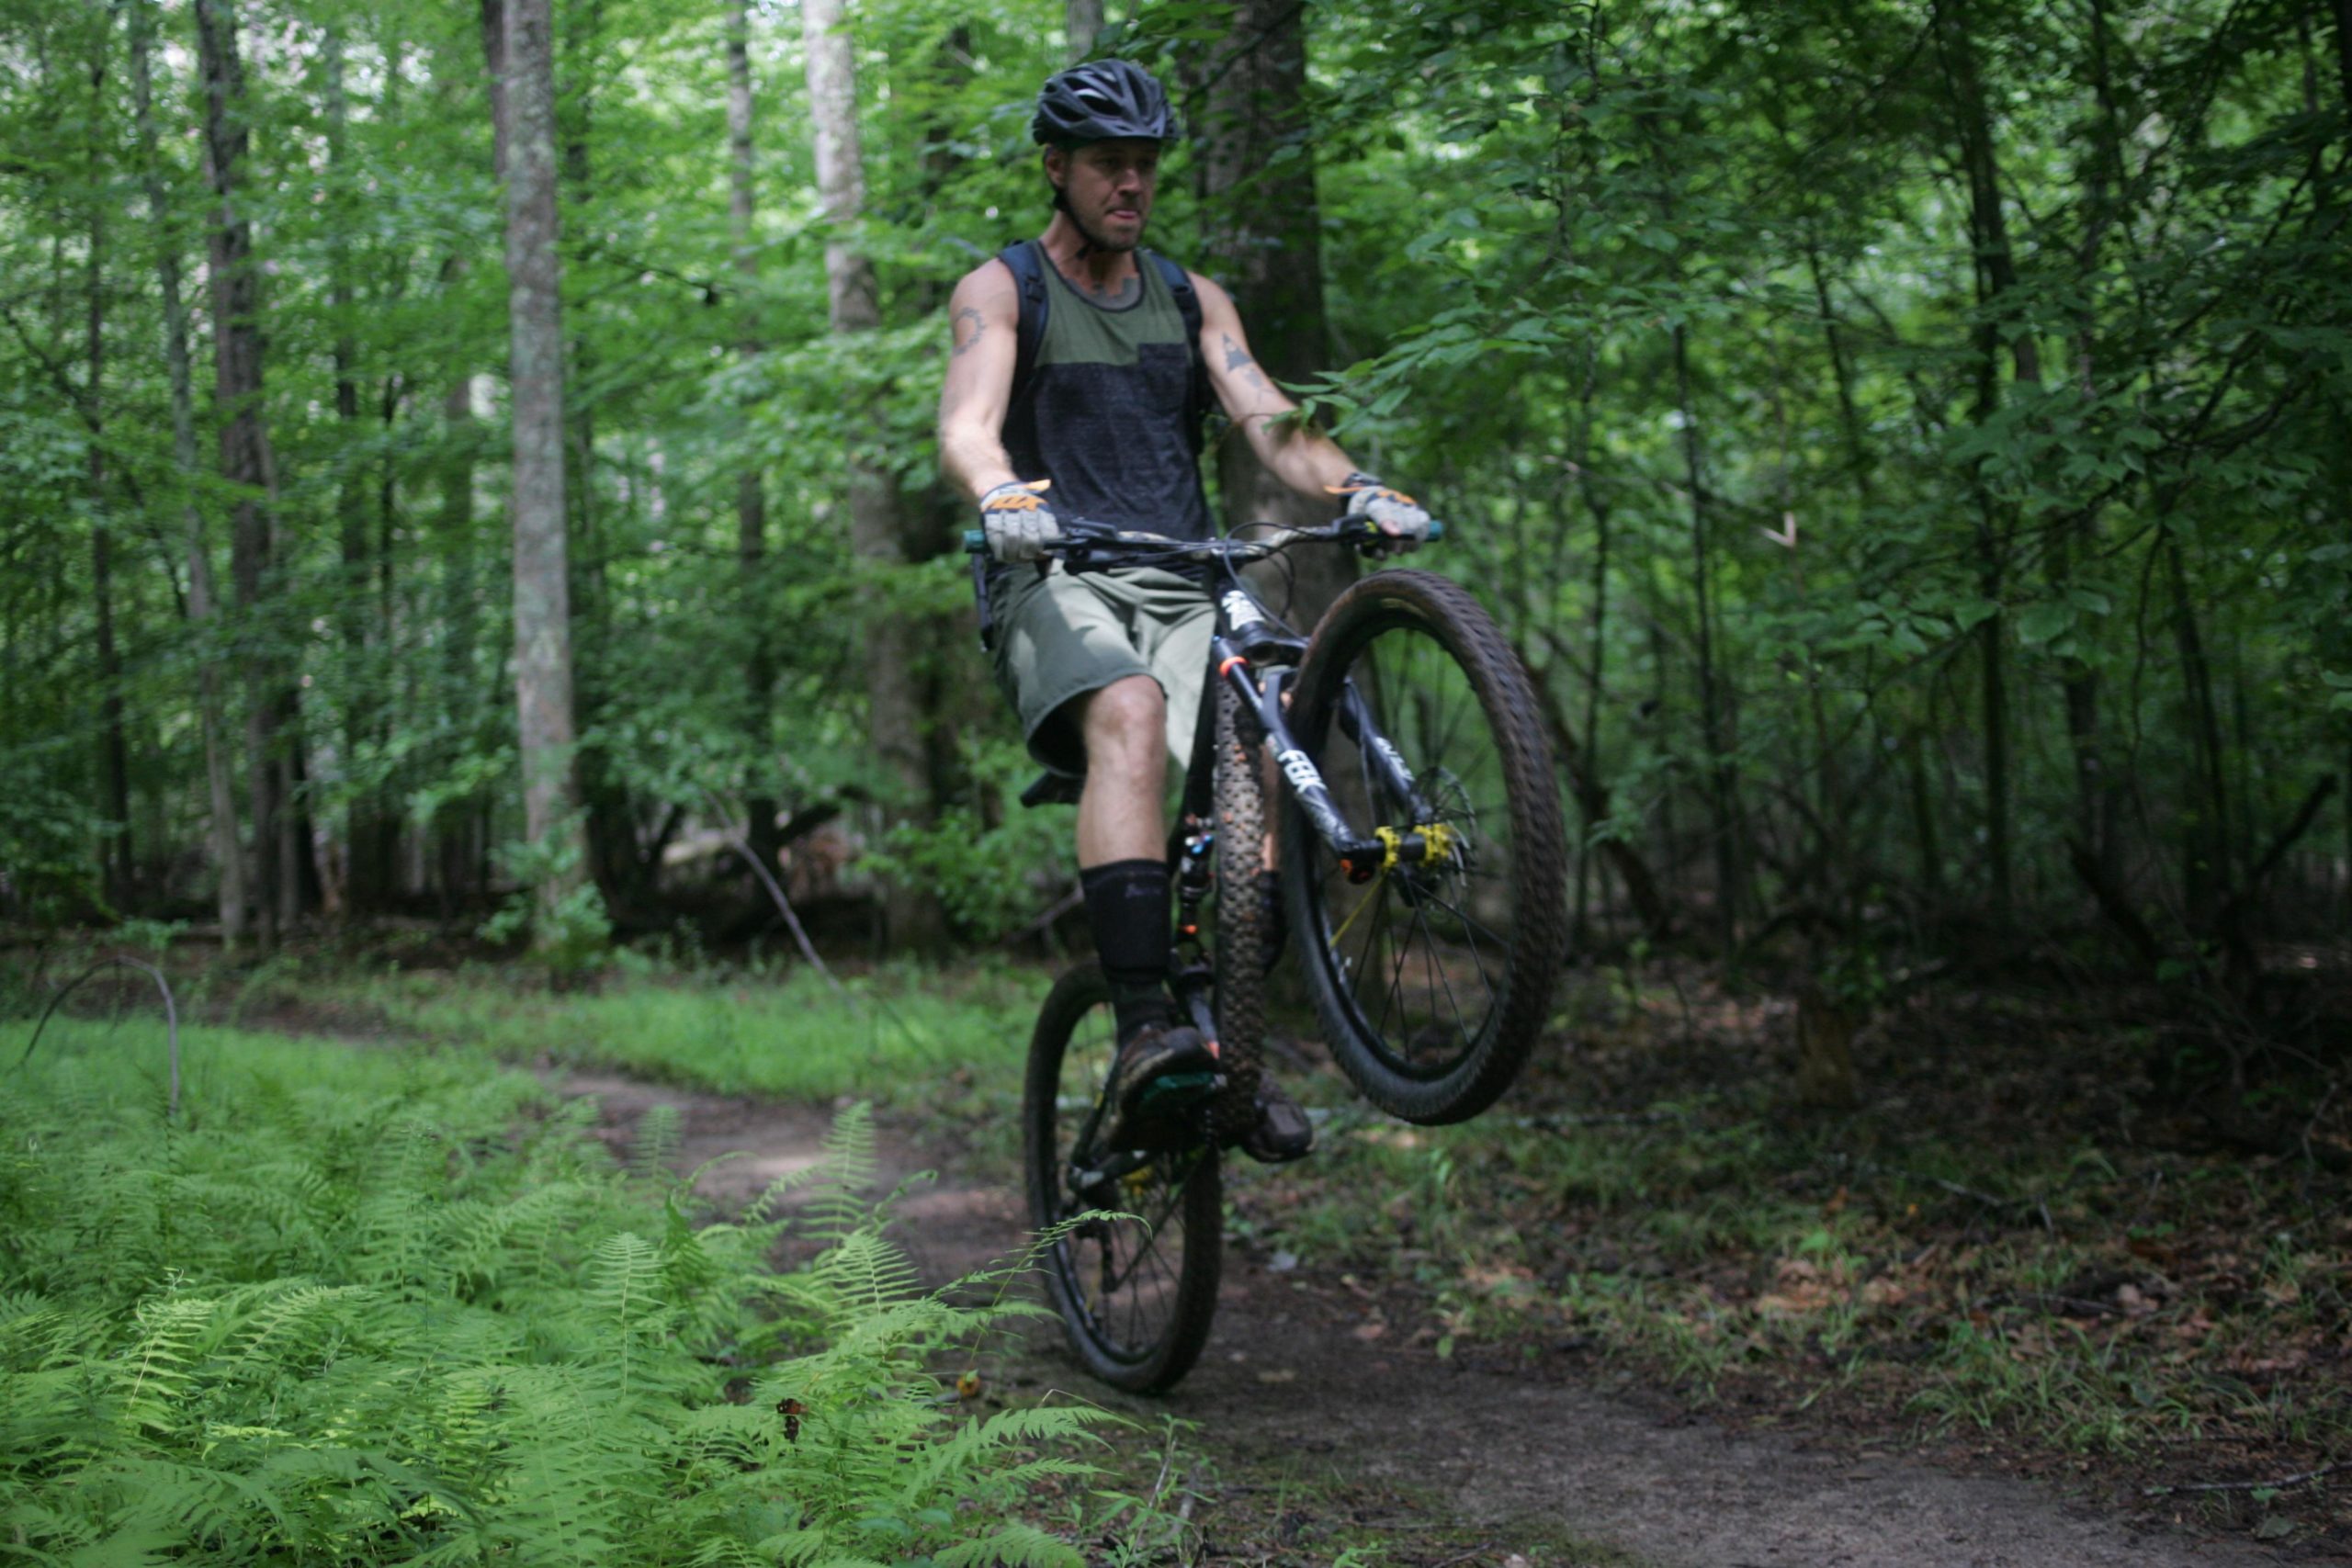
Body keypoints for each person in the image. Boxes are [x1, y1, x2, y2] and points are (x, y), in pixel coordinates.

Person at [934, 59, 1431, 1160]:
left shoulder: (1188, 297)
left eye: (1146, 166)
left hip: (1184, 578)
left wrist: (1356, 487)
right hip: (1054, 573)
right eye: (1109, 163)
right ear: (1055, 168)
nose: (1131, 184)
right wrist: (1002, 492)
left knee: (1264, 735)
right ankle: (1142, 1025)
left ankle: (1226, 1050)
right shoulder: (1003, 288)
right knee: (1124, 708)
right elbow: (969, 422)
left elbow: (1269, 418)